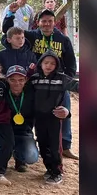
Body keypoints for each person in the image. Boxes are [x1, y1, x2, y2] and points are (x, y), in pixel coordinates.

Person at [3, 6, 78, 159]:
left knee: (62, 111)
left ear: (54, 22)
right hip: (35, 82)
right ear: (37, 22)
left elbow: (71, 62)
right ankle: (29, 141)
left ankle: (66, 145)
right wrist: (10, 16)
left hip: (57, 82)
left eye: (50, 21)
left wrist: (65, 80)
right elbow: (8, 35)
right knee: (35, 110)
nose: (47, 24)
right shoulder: (30, 35)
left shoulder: (63, 39)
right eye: (43, 21)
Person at [30, 51, 77, 185]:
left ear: (57, 65)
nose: (49, 66)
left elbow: (77, 86)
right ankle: (49, 168)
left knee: (55, 146)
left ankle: (57, 172)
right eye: (46, 63)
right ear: (41, 64)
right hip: (39, 118)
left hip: (54, 117)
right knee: (43, 144)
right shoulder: (34, 79)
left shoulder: (62, 78)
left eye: (52, 63)